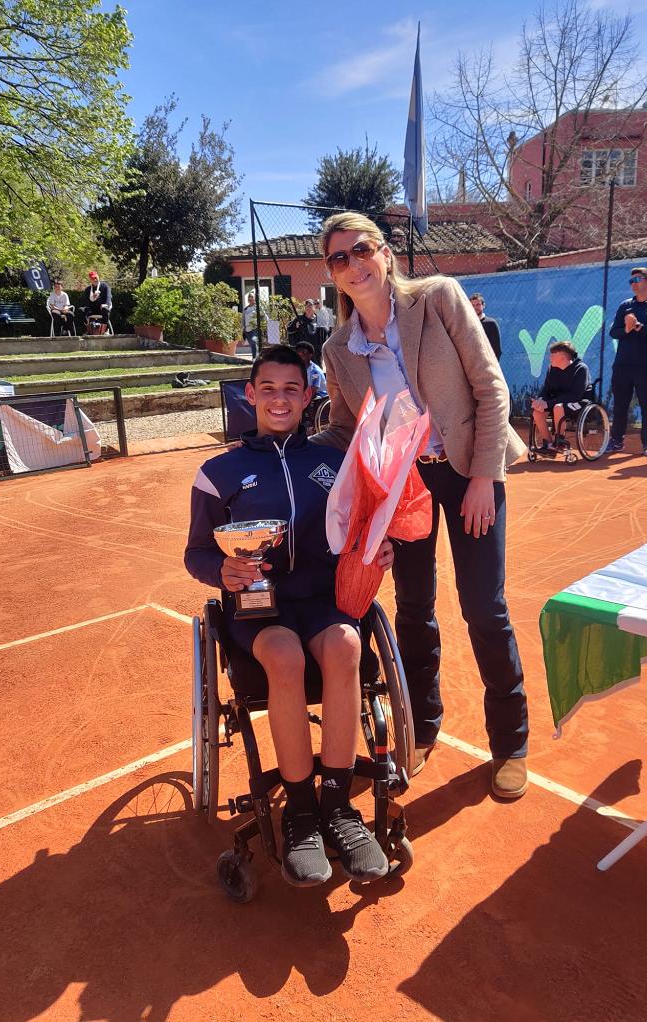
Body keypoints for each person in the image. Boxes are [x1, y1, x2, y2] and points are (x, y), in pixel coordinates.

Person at [312, 211, 529, 800]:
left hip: (467, 473)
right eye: (338, 258)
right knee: (413, 607)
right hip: (402, 486)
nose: (353, 265)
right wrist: (283, 448)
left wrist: (485, 476)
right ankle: (423, 725)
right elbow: (342, 429)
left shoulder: (438, 299)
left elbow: (491, 387)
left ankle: (510, 745)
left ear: (384, 252)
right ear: (331, 275)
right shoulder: (339, 349)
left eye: (361, 250)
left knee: (485, 608)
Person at [184, 344, 394, 888]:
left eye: (292, 389)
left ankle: (337, 805)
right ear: (250, 395)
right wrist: (222, 571)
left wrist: (376, 548)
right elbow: (197, 553)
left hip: (322, 600)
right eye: (269, 389)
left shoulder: (332, 462)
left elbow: (356, 531)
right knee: (283, 655)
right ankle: (300, 811)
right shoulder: (218, 472)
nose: (280, 399)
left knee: (347, 647)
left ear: (309, 396)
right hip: (259, 607)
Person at [605, 266, 647, 456]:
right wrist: (627, 329)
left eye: (637, 280)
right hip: (623, 365)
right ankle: (616, 441)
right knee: (620, 405)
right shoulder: (625, 305)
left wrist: (637, 325)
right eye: (631, 281)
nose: (633, 284)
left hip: (646, 365)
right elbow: (614, 332)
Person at [531, 341, 594, 456]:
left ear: (563, 357)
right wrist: (541, 400)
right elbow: (546, 389)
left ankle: (560, 443)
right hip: (557, 402)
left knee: (558, 408)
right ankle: (549, 445)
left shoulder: (581, 369)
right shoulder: (552, 369)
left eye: (553, 355)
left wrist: (548, 404)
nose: (549, 358)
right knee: (537, 412)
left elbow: (575, 395)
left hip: (580, 402)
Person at [287, 299, 327, 365]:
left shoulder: (319, 319)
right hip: (303, 350)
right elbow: (290, 330)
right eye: (306, 306)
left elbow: (324, 332)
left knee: (316, 370)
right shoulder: (299, 319)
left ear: (314, 307)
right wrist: (295, 326)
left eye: (310, 306)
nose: (308, 308)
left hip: (316, 351)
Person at [469, 292, 502, 361]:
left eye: (478, 304)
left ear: (483, 305)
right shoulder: (467, 324)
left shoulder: (491, 323)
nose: (475, 307)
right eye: (473, 305)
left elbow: (497, 350)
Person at [80, 269, 112, 333]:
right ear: (90, 280)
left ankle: (105, 329)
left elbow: (108, 297)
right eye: (93, 278)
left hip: (102, 308)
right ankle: (89, 329)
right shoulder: (88, 289)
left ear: (98, 277)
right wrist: (92, 298)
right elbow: (86, 301)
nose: (95, 280)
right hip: (92, 309)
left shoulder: (105, 286)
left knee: (105, 309)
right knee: (82, 310)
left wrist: (105, 304)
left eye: (96, 277)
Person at [241, 291, 259, 359]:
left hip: (255, 329)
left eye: (252, 297)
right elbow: (243, 320)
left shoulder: (257, 308)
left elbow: (264, 316)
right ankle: (255, 357)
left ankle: (254, 358)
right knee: (252, 344)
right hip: (247, 330)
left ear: (254, 298)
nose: (250, 298)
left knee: (253, 341)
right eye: (249, 297)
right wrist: (242, 330)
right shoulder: (245, 309)